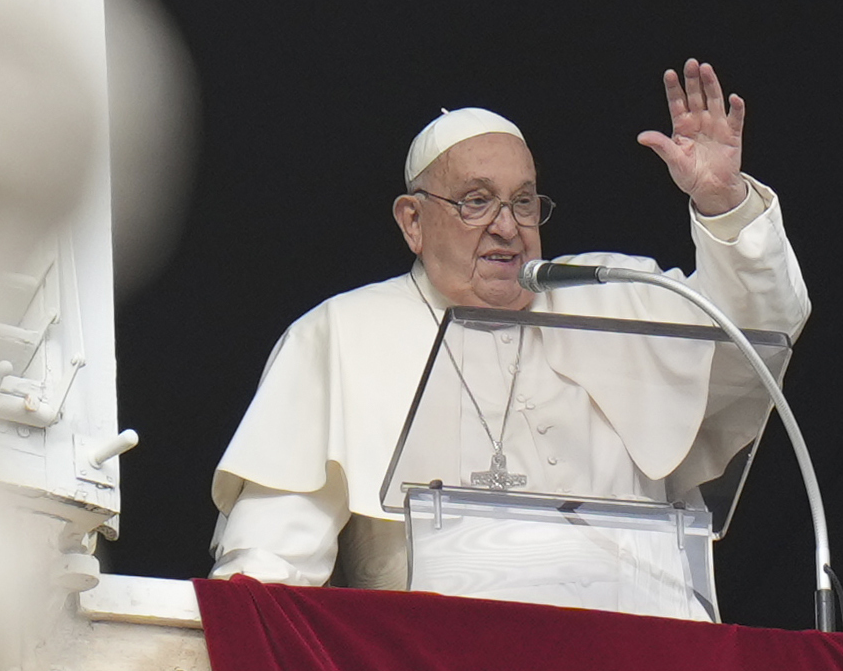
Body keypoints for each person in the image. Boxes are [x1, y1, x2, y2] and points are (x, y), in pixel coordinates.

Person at [208, 60, 810, 608]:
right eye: (476, 202)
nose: (507, 227)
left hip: (648, 670)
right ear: (412, 222)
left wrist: (723, 203)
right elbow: (271, 560)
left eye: (524, 203)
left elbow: (758, 331)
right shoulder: (339, 333)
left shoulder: (614, 294)